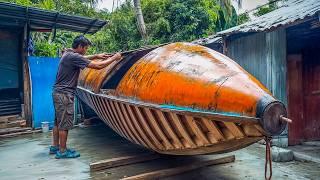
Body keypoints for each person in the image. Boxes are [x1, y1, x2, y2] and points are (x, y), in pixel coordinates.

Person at [50, 35, 122, 159]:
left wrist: (96, 56)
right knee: (64, 124)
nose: (86, 51)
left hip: (58, 93)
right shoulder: (73, 56)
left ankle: (55, 146)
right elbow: (99, 66)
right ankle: (62, 151)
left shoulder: (67, 53)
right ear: (80, 46)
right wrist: (115, 58)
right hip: (65, 95)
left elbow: (82, 58)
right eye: (85, 48)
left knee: (58, 121)